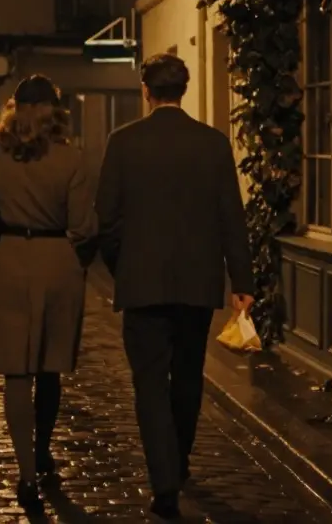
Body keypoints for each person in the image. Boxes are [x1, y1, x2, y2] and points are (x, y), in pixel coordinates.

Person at [94, 53, 254, 520]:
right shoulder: (212, 144)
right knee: (187, 377)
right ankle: (178, 462)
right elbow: (232, 219)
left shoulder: (123, 143)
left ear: (146, 90)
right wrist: (241, 281)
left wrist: (122, 266)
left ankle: (164, 481)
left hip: (142, 284)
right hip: (197, 283)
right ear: (183, 90)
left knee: (149, 384)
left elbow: (107, 219)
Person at [0, 74, 96, 514]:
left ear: (13, 109)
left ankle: (26, 472)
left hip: (8, 261)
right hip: (57, 260)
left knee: (15, 373)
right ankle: (43, 449)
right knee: (50, 368)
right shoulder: (72, 160)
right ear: (54, 111)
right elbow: (84, 227)